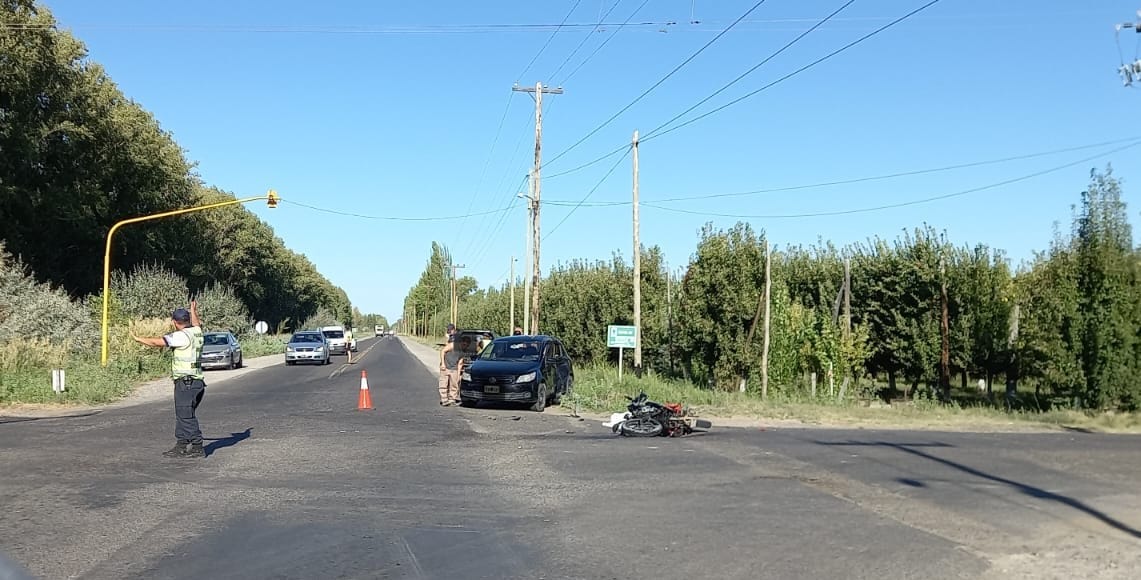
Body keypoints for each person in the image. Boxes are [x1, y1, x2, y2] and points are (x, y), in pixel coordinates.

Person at [131, 301, 207, 458]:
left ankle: (198, 446)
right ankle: (181, 444)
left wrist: (138, 339)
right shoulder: (197, 332)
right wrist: (193, 309)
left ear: (174, 322)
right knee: (183, 415)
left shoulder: (180, 336)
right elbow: (197, 323)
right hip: (197, 383)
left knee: (186, 416)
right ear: (188, 320)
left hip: (186, 383)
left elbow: (156, 342)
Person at [438, 326, 462, 406]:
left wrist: (458, 374)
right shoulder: (452, 345)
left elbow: (460, 363)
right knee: (443, 384)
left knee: (454, 385)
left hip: (454, 368)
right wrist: (443, 364)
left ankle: (452, 399)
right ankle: (444, 399)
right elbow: (442, 351)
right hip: (446, 367)